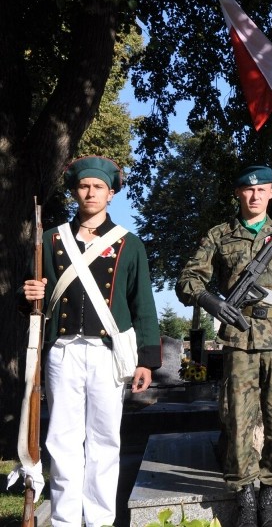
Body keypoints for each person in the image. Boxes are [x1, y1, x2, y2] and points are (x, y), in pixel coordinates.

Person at [21, 156, 160, 527]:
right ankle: (65, 521)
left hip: (107, 355)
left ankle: (98, 521)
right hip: (62, 350)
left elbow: (142, 303)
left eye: (99, 187)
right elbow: (35, 297)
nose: (91, 192)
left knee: (104, 442)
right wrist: (30, 293)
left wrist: (146, 359)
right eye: (84, 186)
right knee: (62, 442)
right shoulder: (51, 240)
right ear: (75, 192)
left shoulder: (129, 244)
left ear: (111, 194)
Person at [176, 165, 272, 527]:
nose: (254, 196)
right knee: (238, 420)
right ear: (238, 194)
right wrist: (212, 302)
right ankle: (246, 501)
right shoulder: (220, 235)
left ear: (270, 194)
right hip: (240, 338)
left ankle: (269, 500)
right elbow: (188, 280)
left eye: (261, 190)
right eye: (247, 191)